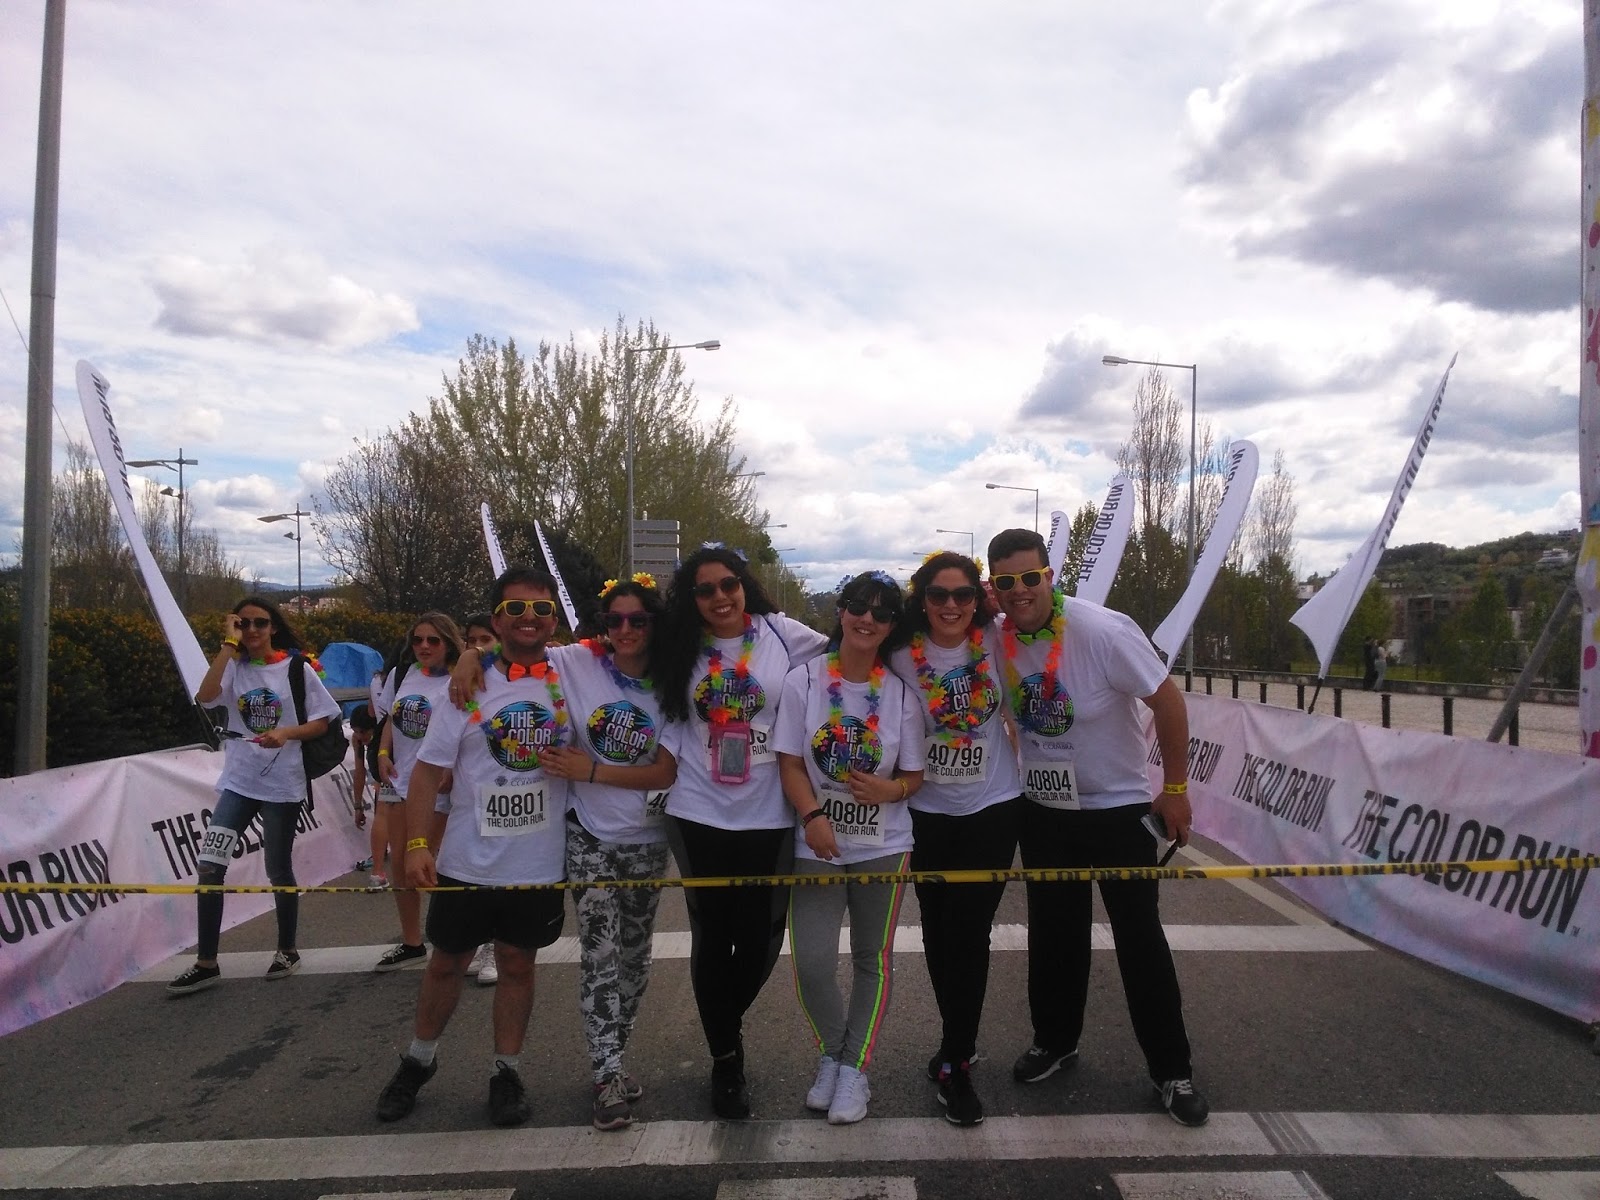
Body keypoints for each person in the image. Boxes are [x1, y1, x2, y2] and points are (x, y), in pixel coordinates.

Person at [986, 527, 1209, 1127]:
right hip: (1045, 811)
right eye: (1006, 582)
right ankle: (1055, 1041)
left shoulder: (1104, 631)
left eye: (1030, 578)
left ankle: (1171, 1069)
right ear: (994, 587)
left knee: (1139, 940)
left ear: (1049, 577)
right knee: (1054, 936)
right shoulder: (995, 637)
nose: (1020, 591)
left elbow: (1168, 701)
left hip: (1117, 810)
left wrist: (1176, 790)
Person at [374, 567, 572, 1127]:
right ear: (496, 620)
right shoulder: (466, 687)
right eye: (515, 609)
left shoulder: (574, 675)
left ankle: (506, 1072)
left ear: (554, 620)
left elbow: (630, 648)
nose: (529, 619)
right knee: (446, 964)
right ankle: (419, 1060)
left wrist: (472, 653)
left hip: (537, 861)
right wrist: (416, 844)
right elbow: (425, 772)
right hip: (467, 858)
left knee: (517, 964)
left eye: (541, 609)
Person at [653, 544, 828, 1119]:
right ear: (692, 599)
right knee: (712, 935)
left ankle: (722, 1021)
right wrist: (473, 655)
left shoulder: (783, 634)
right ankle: (726, 1060)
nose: (720, 597)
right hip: (697, 809)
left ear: (743, 585)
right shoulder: (676, 642)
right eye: (705, 590)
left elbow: (857, 648)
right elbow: (599, 649)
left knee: (760, 937)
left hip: (769, 811)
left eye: (728, 584)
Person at [775, 571, 923, 1125]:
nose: (867, 619)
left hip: (884, 843)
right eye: (858, 606)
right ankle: (834, 1055)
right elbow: (790, 761)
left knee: (870, 959)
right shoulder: (804, 682)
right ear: (841, 612)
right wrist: (812, 816)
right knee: (812, 962)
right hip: (816, 843)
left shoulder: (901, 694)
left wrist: (893, 790)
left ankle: (854, 1068)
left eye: (882, 613)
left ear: (891, 626)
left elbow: (914, 774)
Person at [886, 550, 1023, 1126]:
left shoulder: (997, 640)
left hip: (992, 809)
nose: (950, 605)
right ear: (922, 600)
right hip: (926, 815)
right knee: (939, 934)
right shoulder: (898, 655)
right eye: (938, 595)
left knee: (969, 934)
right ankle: (954, 1041)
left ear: (977, 599)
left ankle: (958, 1063)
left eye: (962, 594)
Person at [540, 574, 678, 1131]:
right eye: (613, 620)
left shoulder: (674, 680)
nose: (624, 629)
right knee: (599, 954)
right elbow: (515, 648)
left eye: (637, 620)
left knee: (635, 958)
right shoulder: (578, 663)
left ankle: (613, 1059)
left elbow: (665, 771)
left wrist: (592, 769)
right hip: (589, 835)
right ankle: (607, 1075)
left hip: (648, 841)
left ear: (655, 624)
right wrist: (470, 660)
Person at [167, 596, 340, 995]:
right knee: (210, 865)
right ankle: (206, 963)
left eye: (260, 623)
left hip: (282, 785)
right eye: (243, 623)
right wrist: (227, 646)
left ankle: (287, 950)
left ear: (273, 627)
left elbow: (322, 722)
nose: (252, 630)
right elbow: (205, 696)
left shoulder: (296, 668)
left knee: (277, 867)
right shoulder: (233, 666)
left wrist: (286, 733)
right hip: (238, 783)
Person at [372, 613, 464, 972]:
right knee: (400, 864)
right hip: (400, 779)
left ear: (449, 643)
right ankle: (412, 942)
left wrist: (452, 768)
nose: (424, 646)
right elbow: (391, 720)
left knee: (431, 863)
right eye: (418, 640)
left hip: (437, 784)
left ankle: (459, 939)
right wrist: (383, 753)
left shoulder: (460, 678)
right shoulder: (402, 674)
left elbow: (468, 725)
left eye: (433, 640)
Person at [459, 611, 500, 984]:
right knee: (478, 878)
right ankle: (480, 940)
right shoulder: (462, 684)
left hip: (518, 802)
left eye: (485, 639)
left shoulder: (540, 673)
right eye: (470, 641)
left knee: (502, 881)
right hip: (472, 798)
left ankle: (495, 948)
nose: (477, 647)